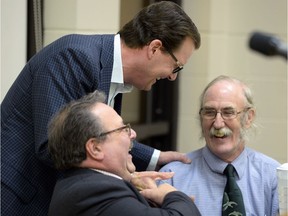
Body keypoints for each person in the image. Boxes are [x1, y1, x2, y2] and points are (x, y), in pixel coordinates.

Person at [1, 1, 201, 215]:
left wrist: (155, 158)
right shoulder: (73, 57)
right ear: (154, 48)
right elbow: (54, 147)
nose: (172, 76)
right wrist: (125, 177)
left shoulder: (109, 72)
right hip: (18, 199)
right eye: (176, 66)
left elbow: (99, 139)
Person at [47, 90, 201, 216]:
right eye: (123, 129)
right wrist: (170, 195)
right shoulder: (96, 192)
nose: (133, 134)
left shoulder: (85, 185)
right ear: (95, 148)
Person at [159, 75, 280, 215]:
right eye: (209, 112)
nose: (217, 123)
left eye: (228, 112)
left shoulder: (273, 177)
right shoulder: (171, 178)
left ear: (248, 118)